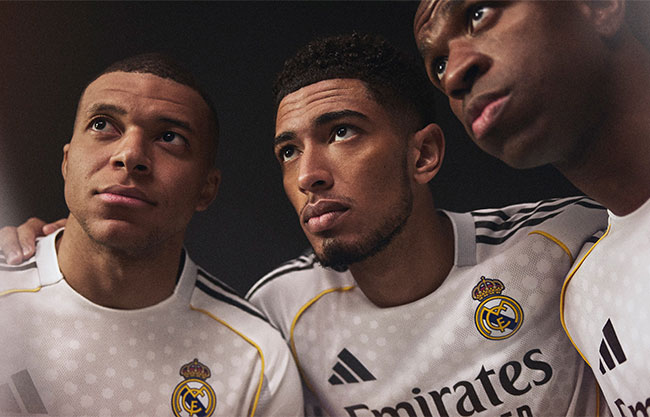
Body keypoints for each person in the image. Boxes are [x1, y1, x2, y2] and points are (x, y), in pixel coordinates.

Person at [245, 33, 609, 416]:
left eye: (341, 132)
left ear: (423, 154)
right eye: (289, 151)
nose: (307, 176)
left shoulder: (564, 242)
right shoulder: (277, 312)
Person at [0, 53, 302, 416]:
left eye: (169, 137)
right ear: (67, 161)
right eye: (102, 125)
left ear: (207, 188)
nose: (130, 155)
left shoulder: (256, 360)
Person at [414, 0, 650, 411]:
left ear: (599, 6)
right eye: (439, 65)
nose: (452, 76)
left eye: (478, 14)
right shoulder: (584, 298)